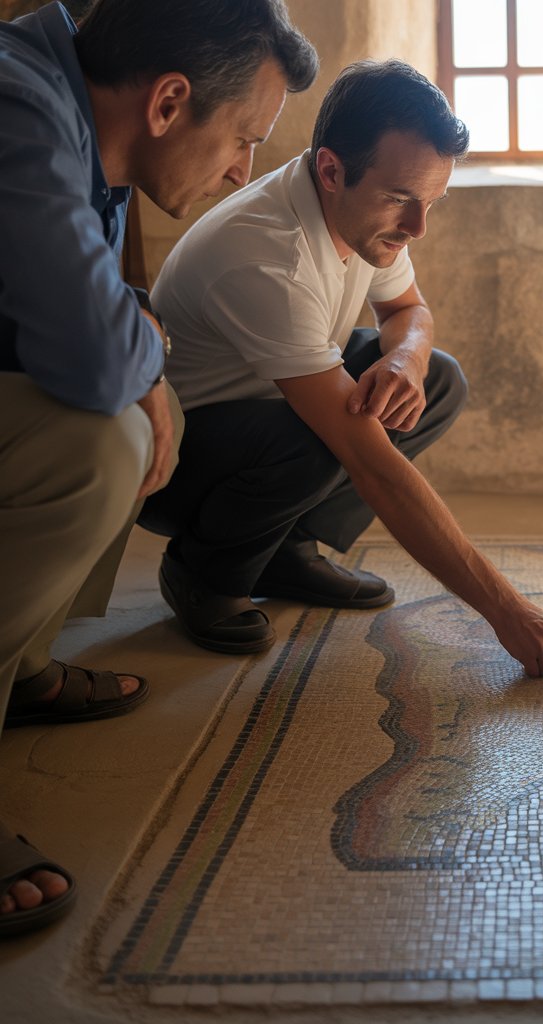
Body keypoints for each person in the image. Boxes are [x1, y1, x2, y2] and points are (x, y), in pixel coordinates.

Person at [0, 0, 317, 937]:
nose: (243, 169)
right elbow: (94, 355)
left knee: (135, 404)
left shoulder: (77, 121)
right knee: (102, 433)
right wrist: (141, 351)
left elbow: (83, 316)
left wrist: (134, 339)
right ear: (170, 101)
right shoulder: (16, 106)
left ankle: (20, 668)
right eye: (244, 138)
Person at [143, 60, 543, 683]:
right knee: (338, 432)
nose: (418, 228)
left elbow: (407, 311)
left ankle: (284, 549)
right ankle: (202, 571)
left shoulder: (359, 214)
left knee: (435, 380)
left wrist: (406, 358)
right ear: (332, 170)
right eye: (400, 200)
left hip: (265, 414)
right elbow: (372, 467)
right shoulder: (268, 256)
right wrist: (508, 610)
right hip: (178, 462)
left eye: (431, 202)